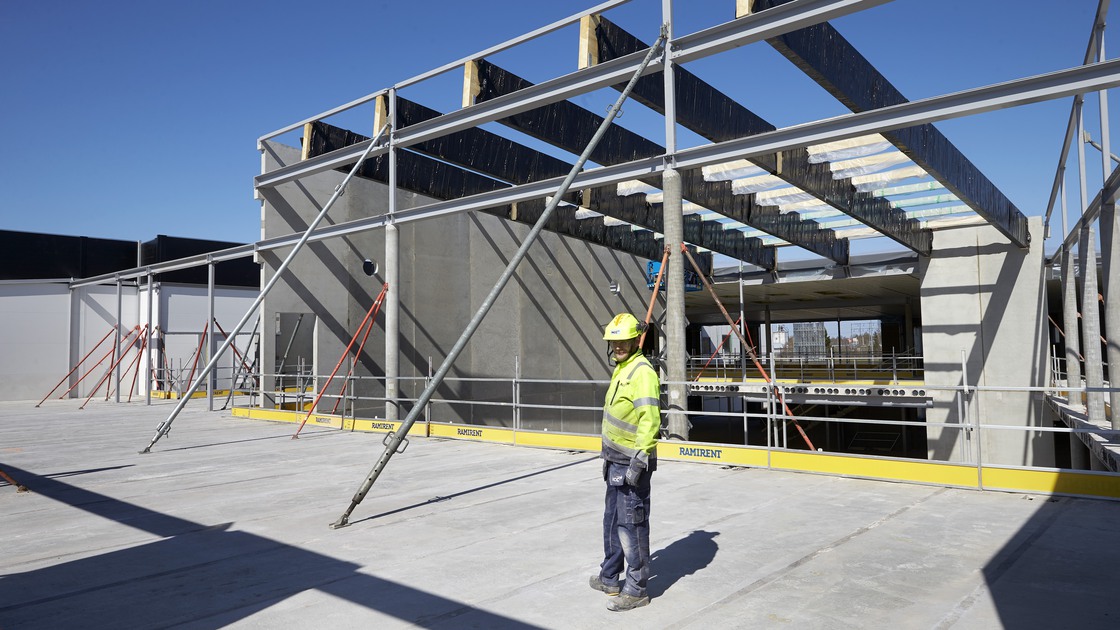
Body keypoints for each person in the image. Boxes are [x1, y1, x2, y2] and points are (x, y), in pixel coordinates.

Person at [590, 313, 660, 612]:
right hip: (614, 460)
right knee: (612, 522)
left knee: (631, 525)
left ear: (635, 340)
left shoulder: (641, 372)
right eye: (614, 342)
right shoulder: (623, 368)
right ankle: (610, 577)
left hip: (632, 463)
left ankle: (636, 588)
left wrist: (640, 460)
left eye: (623, 341)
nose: (618, 346)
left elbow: (650, 419)